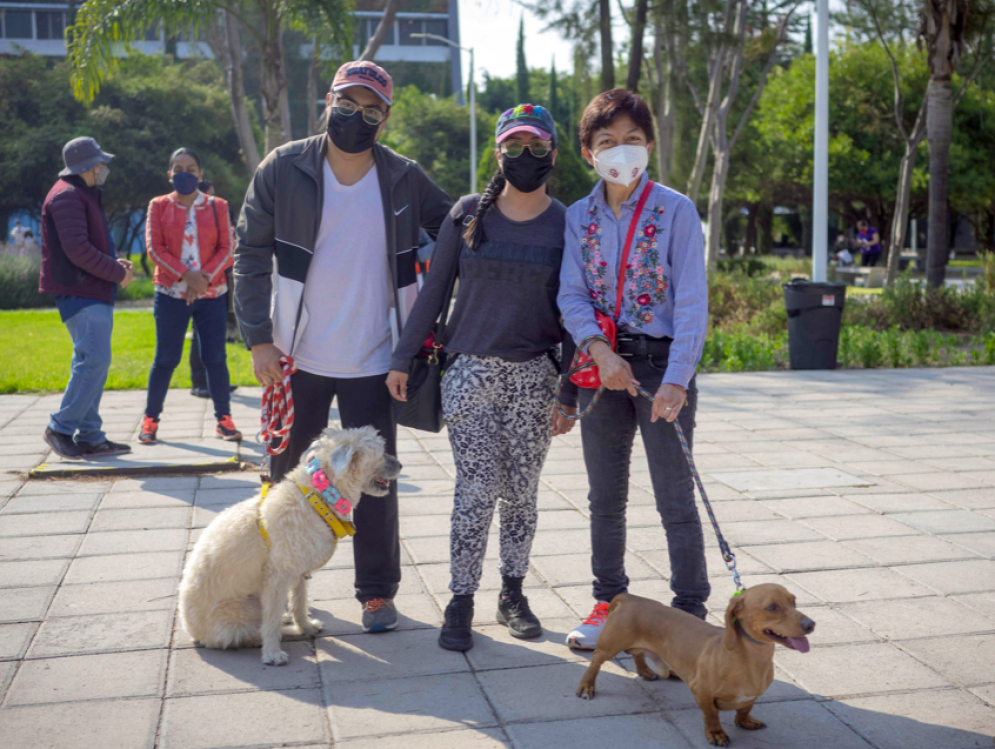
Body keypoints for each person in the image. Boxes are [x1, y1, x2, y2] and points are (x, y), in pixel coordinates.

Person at [234, 61, 453, 634]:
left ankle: (376, 593)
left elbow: (459, 224)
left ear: (385, 117)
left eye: (372, 109)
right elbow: (250, 255)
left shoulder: (404, 177)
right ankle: (274, 583)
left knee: (374, 481)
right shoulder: (283, 168)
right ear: (328, 101)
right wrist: (259, 339)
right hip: (294, 355)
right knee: (285, 480)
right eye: (348, 104)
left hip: (376, 358)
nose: (358, 116)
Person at [388, 104, 579, 652]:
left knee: (521, 493)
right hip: (469, 371)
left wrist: (569, 389)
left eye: (537, 147)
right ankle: (461, 599)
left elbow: (573, 310)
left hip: (536, 378)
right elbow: (434, 290)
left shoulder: (566, 223)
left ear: (553, 154)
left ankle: (512, 593)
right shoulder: (468, 214)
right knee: (475, 490)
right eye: (514, 146)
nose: (526, 157)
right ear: (497, 153)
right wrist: (403, 358)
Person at [557, 89, 710, 650]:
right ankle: (608, 605)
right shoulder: (578, 216)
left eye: (633, 140)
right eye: (606, 142)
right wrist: (600, 352)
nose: (621, 151)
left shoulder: (676, 209)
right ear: (587, 153)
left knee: (674, 495)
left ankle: (690, 614)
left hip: (662, 364)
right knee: (605, 497)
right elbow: (571, 294)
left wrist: (676, 378)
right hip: (604, 367)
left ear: (650, 144)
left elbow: (693, 300)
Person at [39, 136, 134, 460]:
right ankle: (60, 428)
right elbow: (78, 250)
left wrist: (113, 263)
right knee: (93, 361)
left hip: (90, 290)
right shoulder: (67, 195)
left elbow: (86, 244)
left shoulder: (80, 193)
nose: (103, 168)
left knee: (92, 362)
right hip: (80, 291)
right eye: (100, 163)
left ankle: (91, 436)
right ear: (87, 166)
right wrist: (118, 273)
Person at [139, 148, 241, 444]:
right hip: (171, 293)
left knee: (215, 358)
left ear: (201, 174)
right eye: (178, 168)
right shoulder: (158, 205)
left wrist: (203, 278)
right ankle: (150, 420)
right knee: (165, 359)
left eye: (191, 168)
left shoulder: (217, 206)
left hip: (212, 293)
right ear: (169, 174)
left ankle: (224, 420)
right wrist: (186, 276)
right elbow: (154, 248)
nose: (185, 173)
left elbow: (228, 247)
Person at [188, 178, 238, 399]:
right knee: (200, 336)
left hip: (217, 286)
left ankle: (216, 383)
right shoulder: (194, 221)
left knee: (216, 338)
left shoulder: (216, 216)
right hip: (198, 288)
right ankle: (199, 383)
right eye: (210, 193)